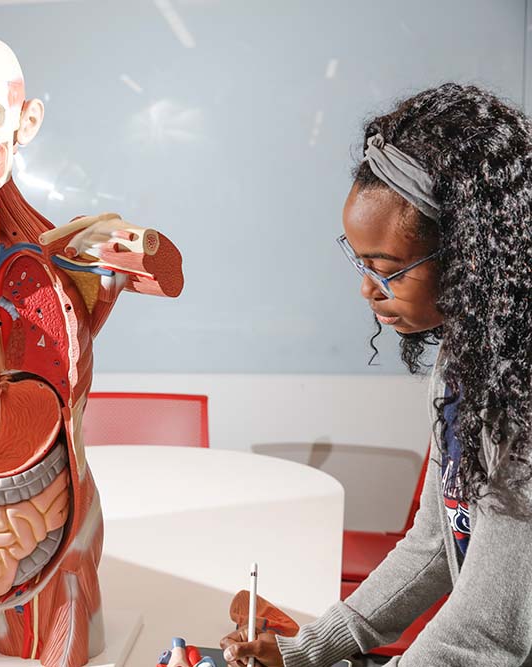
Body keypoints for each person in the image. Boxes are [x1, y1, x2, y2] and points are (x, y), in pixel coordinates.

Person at [221, 83, 532, 665]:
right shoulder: (465, 360)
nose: (367, 289)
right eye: (359, 262)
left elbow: (485, 633)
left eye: (386, 269)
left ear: (469, 257)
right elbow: (439, 540)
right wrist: (306, 650)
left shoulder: (521, 397)